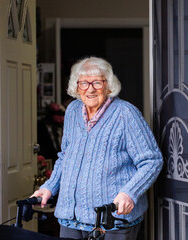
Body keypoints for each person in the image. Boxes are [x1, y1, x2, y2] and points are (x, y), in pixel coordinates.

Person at [32, 56, 163, 240]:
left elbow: (152, 161)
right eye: (84, 83)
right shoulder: (72, 111)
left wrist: (129, 192)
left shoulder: (125, 113)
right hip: (70, 219)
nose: (90, 89)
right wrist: (50, 187)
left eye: (97, 82)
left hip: (111, 221)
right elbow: (65, 156)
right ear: (77, 87)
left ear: (109, 85)